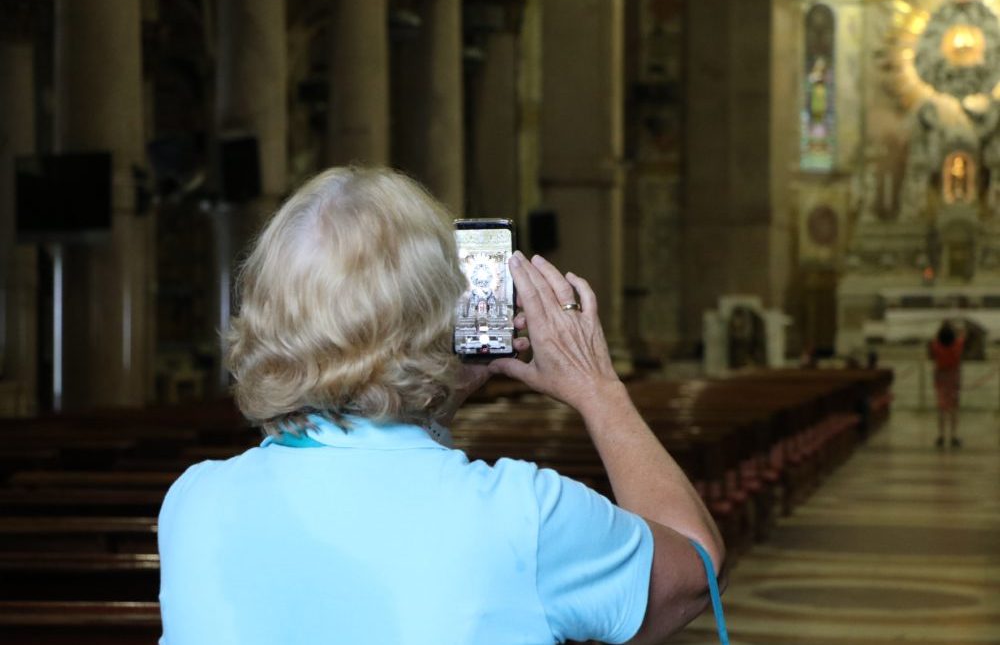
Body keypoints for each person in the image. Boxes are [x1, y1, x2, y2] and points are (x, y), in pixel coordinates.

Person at [157, 166, 724, 644]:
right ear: (445, 317)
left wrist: (434, 388)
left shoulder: (194, 502)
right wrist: (598, 389)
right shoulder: (525, 515)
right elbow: (695, 572)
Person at [929, 320, 965, 448]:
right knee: (954, 409)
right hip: (953, 379)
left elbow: (934, 341)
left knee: (941, 409)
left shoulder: (936, 346)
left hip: (940, 378)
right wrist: (955, 328)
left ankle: (941, 436)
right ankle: (954, 436)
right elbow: (962, 335)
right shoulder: (957, 346)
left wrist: (942, 327)